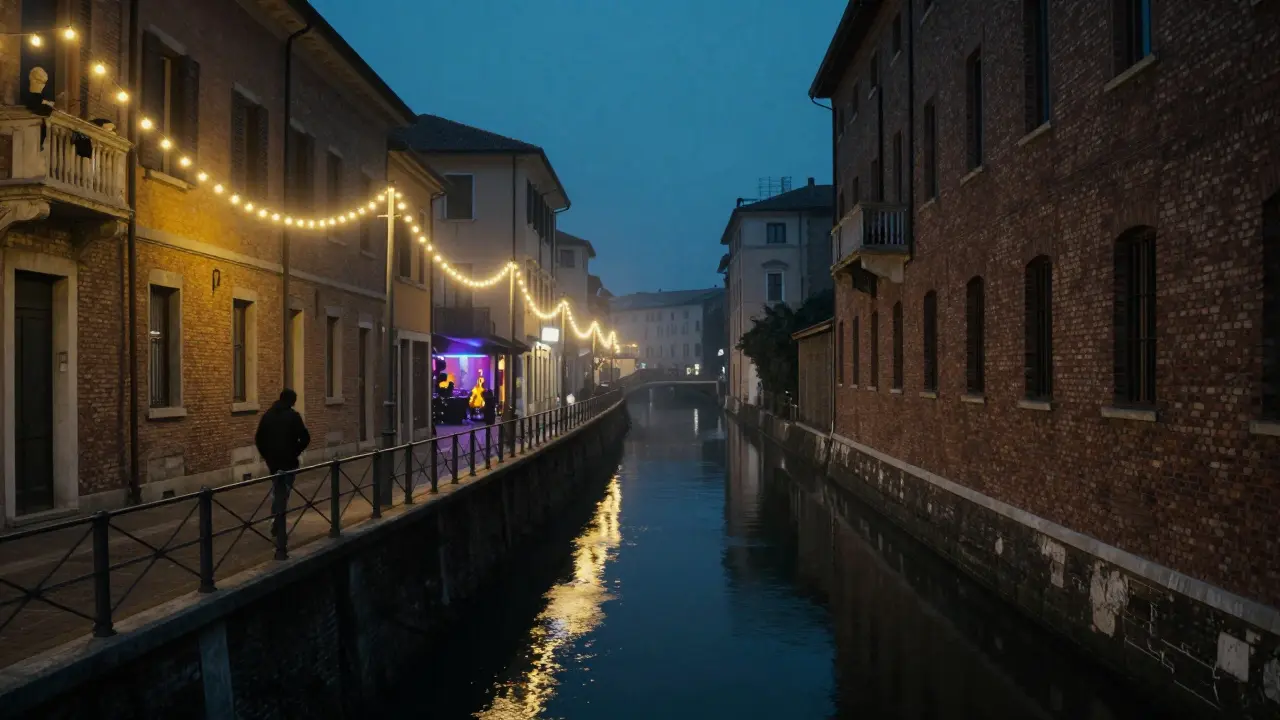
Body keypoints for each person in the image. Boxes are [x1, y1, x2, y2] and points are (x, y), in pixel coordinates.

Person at [255, 389, 310, 539]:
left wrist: (267, 456)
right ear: (291, 401)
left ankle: (276, 520)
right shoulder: (293, 416)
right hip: (289, 461)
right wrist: (295, 452)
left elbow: (259, 438)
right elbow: (305, 438)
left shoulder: (267, 416)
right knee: (283, 492)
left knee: (278, 490)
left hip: (273, 462)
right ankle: (278, 523)